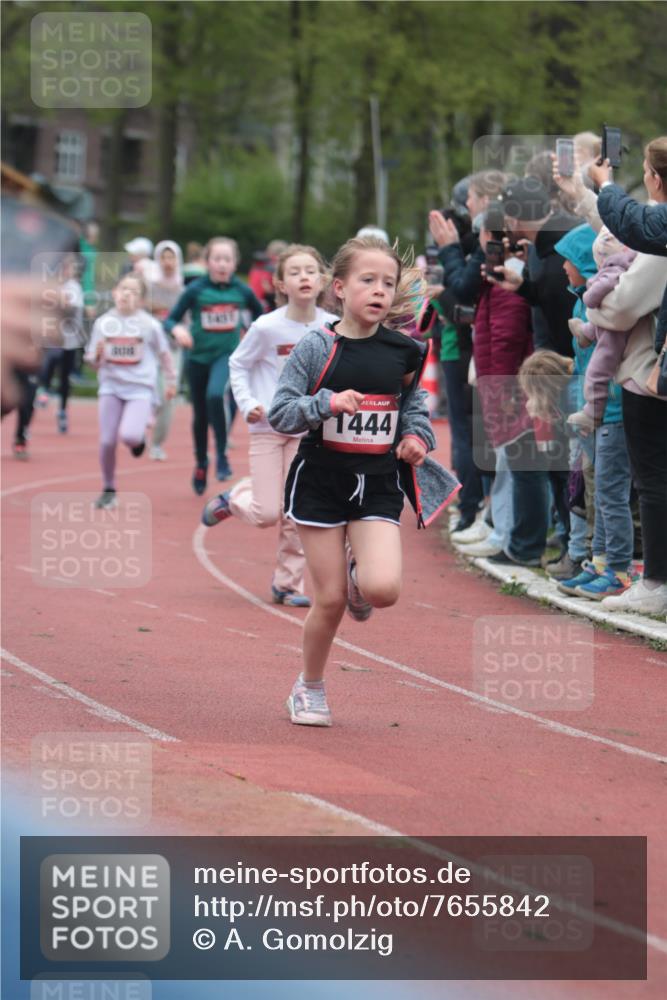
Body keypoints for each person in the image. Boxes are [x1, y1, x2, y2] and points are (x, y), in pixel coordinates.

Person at [267, 235, 459, 726]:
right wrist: (325, 404)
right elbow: (281, 414)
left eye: (388, 283)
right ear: (340, 287)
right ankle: (308, 687)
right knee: (327, 600)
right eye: (367, 281)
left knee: (383, 590)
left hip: (375, 481)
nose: (378, 290)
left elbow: (415, 410)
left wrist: (417, 439)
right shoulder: (317, 346)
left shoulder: (406, 351)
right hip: (321, 480)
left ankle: (359, 577)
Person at [201, 244, 338, 607]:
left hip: (306, 429)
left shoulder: (330, 327)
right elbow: (238, 364)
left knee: (296, 512)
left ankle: (287, 584)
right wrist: (248, 404)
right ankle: (235, 499)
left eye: (311, 270)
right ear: (281, 283)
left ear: (322, 280)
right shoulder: (266, 327)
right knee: (267, 514)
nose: (304, 277)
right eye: (295, 272)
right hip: (267, 426)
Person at [583, 138, 667, 615]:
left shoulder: (658, 240)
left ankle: (655, 582)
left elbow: (621, 308)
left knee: (653, 479)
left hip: (647, 371)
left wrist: (594, 304)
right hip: (649, 366)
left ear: (654, 178)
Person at [163, 237, 263, 494]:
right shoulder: (195, 289)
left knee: (216, 395)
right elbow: (170, 320)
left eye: (227, 259)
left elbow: (263, 317)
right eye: (216, 259)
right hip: (197, 358)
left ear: (235, 263)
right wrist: (177, 330)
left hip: (226, 356)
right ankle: (201, 462)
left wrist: (252, 333)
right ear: (207, 262)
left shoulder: (241, 291)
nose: (221, 264)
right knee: (200, 415)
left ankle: (221, 454)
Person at [84, 273, 177, 509]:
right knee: (106, 441)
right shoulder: (103, 323)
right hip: (111, 387)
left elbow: (165, 354)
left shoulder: (149, 325)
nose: (127, 294)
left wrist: (171, 381)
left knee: (130, 436)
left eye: (134, 291)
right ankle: (108, 488)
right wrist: (97, 355)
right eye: (123, 288)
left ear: (142, 301)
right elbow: (91, 360)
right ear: (115, 292)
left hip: (139, 388)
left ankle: (139, 441)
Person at [35, 252, 85, 433]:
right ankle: (44, 390)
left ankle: (62, 411)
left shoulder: (74, 287)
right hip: (52, 336)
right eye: (62, 267)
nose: (65, 271)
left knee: (65, 377)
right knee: (49, 362)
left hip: (70, 338)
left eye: (69, 267)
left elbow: (72, 310)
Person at [146, 240, 184, 460]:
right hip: (149, 349)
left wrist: (180, 330)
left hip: (172, 348)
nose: (168, 262)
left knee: (168, 395)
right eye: (164, 257)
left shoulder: (182, 289)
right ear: (158, 259)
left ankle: (157, 443)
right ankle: (141, 421)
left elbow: (187, 320)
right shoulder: (149, 286)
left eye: (172, 257)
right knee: (150, 391)